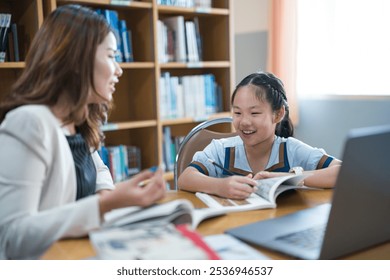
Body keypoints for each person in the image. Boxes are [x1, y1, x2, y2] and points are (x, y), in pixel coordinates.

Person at [0, 4, 166, 260]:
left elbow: (98, 173)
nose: (119, 69)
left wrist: (110, 200)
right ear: (78, 61)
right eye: (111, 56)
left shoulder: (78, 119)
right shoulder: (29, 122)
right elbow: (13, 237)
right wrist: (105, 205)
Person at [178, 71, 342, 199]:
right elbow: (185, 178)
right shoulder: (221, 149)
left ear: (278, 115)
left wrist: (285, 178)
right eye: (237, 112)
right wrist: (219, 186)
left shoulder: (292, 150)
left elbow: (342, 171)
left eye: (254, 113)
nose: (244, 122)